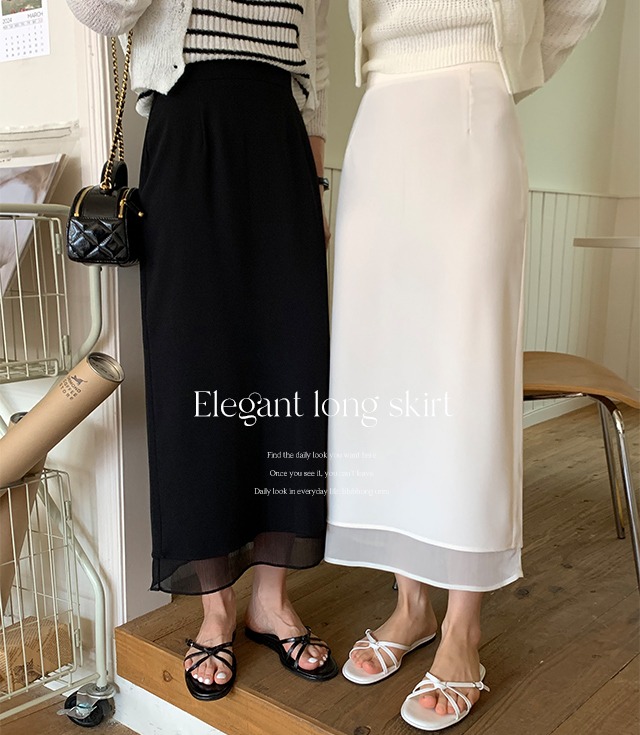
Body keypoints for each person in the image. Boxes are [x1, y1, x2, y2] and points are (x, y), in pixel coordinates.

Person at [325, 0, 605, 730]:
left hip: (473, 101)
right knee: (383, 368)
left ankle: (463, 630)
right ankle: (411, 605)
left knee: (464, 369)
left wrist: (512, 63)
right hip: (381, 110)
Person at [66, 0, 337, 701]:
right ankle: (215, 608)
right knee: (195, 372)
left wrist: (316, 183)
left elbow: (315, 67)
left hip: (280, 142)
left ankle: (270, 599)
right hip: (188, 133)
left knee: (293, 370)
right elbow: (100, 14)